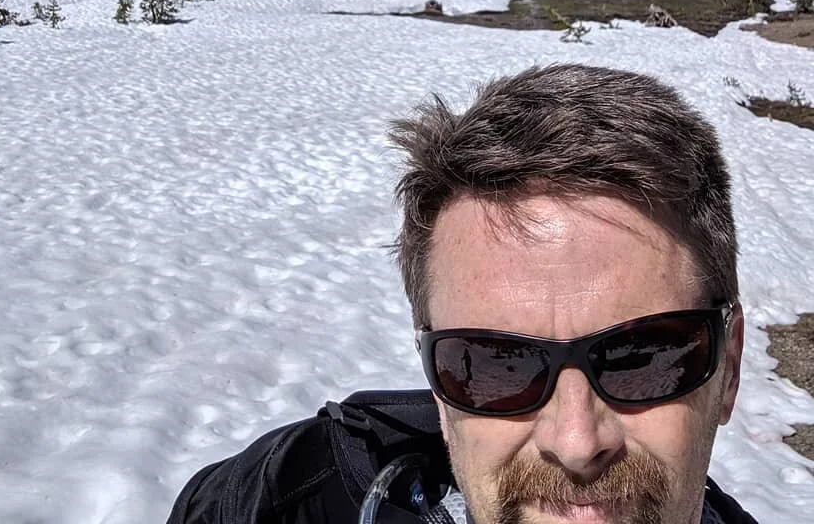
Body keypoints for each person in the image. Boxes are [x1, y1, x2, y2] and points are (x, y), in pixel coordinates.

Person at [167, 63, 760, 524]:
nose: (577, 443)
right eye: (494, 365)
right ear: (440, 393)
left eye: (645, 357)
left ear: (728, 370)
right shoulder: (274, 500)